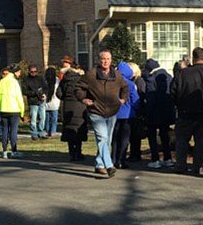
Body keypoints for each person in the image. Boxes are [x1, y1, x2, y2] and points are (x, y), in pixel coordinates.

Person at [75, 48, 128, 177]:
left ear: (111, 60)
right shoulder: (91, 74)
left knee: (106, 140)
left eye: (108, 59)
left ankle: (99, 164)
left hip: (112, 111)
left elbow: (125, 87)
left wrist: (122, 100)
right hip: (96, 110)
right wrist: (83, 99)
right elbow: (78, 88)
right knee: (102, 138)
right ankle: (109, 165)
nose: (105, 62)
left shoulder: (116, 75)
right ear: (99, 60)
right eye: (103, 59)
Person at [171, 46, 203, 175]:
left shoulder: (183, 73)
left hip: (185, 111)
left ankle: (180, 165)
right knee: (201, 140)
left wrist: (179, 104)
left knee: (182, 140)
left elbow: (173, 92)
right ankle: (197, 166)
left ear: (193, 59)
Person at [143, 58, 176, 168]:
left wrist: (147, 113)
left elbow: (150, 98)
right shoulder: (169, 77)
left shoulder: (151, 80)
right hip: (167, 111)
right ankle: (168, 158)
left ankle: (155, 159)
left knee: (152, 135)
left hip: (154, 112)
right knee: (164, 135)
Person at [56, 56, 87, 161]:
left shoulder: (65, 79)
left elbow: (59, 93)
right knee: (78, 129)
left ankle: (71, 152)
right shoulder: (82, 79)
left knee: (69, 128)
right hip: (80, 106)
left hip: (68, 106)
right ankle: (78, 151)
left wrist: (66, 97)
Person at [111, 61, 140, 168]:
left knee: (114, 139)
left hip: (114, 114)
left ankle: (113, 159)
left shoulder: (112, 82)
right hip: (128, 115)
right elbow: (135, 100)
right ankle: (121, 160)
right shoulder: (130, 84)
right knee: (124, 139)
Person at [0, 64, 25, 158]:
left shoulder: (2, 81)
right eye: (19, 72)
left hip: (3, 109)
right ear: (16, 72)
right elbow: (19, 97)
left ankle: (4, 151)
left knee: (4, 130)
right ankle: (13, 150)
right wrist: (22, 111)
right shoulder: (14, 82)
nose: (20, 74)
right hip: (14, 109)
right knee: (13, 131)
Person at [23, 63, 47, 140]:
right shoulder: (26, 79)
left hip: (41, 100)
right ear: (29, 72)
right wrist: (34, 93)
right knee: (33, 119)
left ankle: (41, 132)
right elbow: (24, 91)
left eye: (35, 71)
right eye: (32, 72)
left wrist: (44, 94)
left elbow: (46, 87)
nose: (33, 73)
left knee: (42, 118)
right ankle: (34, 134)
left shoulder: (41, 78)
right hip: (32, 101)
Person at [43, 66, 60, 137]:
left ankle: (47, 130)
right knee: (54, 118)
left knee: (46, 118)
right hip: (55, 101)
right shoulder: (57, 80)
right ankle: (53, 131)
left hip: (46, 101)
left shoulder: (44, 80)